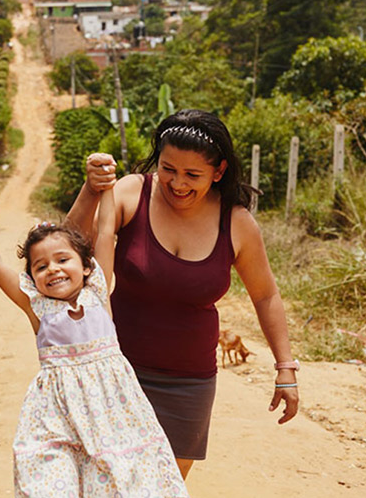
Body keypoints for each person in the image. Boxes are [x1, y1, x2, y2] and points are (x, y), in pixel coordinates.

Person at [66, 109, 300, 479]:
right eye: (168, 169)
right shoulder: (132, 191)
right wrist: (90, 190)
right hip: (114, 370)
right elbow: (69, 251)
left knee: (163, 486)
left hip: (188, 383)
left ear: (219, 172)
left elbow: (266, 296)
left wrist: (286, 369)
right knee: (103, 481)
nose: (177, 184)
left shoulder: (236, 223)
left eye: (193, 175)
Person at [0, 187, 189, 497]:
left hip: (112, 413)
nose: (54, 269)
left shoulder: (98, 294)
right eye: (41, 266)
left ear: (87, 267)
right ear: (32, 280)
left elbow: (105, 231)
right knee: (48, 483)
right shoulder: (38, 308)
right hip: (55, 416)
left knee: (122, 481)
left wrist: (107, 188)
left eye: (63, 259)